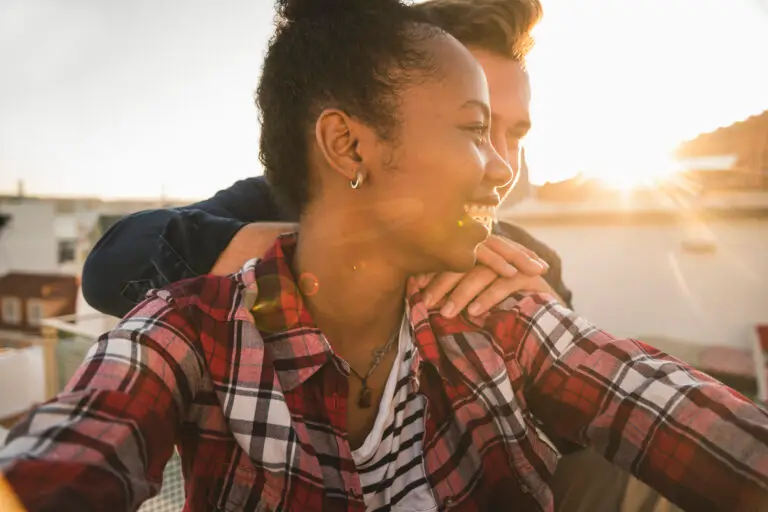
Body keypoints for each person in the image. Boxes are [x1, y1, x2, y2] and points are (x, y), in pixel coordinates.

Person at [3, 1, 768, 511]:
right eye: (474, 126)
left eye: (515, 134)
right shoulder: (244, 238)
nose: (503, 168)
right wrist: (244, 260)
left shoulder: (511, 278)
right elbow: (113, 287)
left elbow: (623, 392)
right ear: (352, 139)